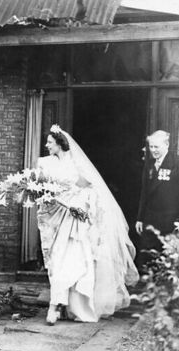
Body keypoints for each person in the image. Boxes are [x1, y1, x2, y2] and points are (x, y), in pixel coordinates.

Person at [37, 124, 138, 325]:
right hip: (56, 217)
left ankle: (63, 307)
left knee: (75, 262)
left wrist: (81, 208)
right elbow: (42, 190)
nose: (46, 145)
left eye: (50, 142)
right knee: (57, 261)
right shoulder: (46, 164)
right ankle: (57, 305)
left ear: (59, 144)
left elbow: (91, 191)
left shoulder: (76, 165)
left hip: (75, 221)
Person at [135, 130, 179, 269]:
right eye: (151, 147)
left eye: (156, 147)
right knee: (146, 259)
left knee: (166, 260)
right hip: (151, 219)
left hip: (171, 221)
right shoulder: (149, 165)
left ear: (166, 145)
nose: (153, 150)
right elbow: (144, 193)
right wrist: (140, 218)